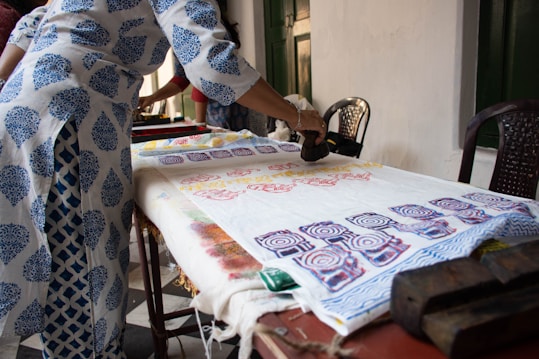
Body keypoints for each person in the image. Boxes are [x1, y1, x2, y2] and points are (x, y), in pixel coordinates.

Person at [0, 1, 326, 358]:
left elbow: (31, 24)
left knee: (56, 256)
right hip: (73, 113)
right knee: (86, 271)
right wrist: (295, 116)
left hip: (20, 106)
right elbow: (213, 64)